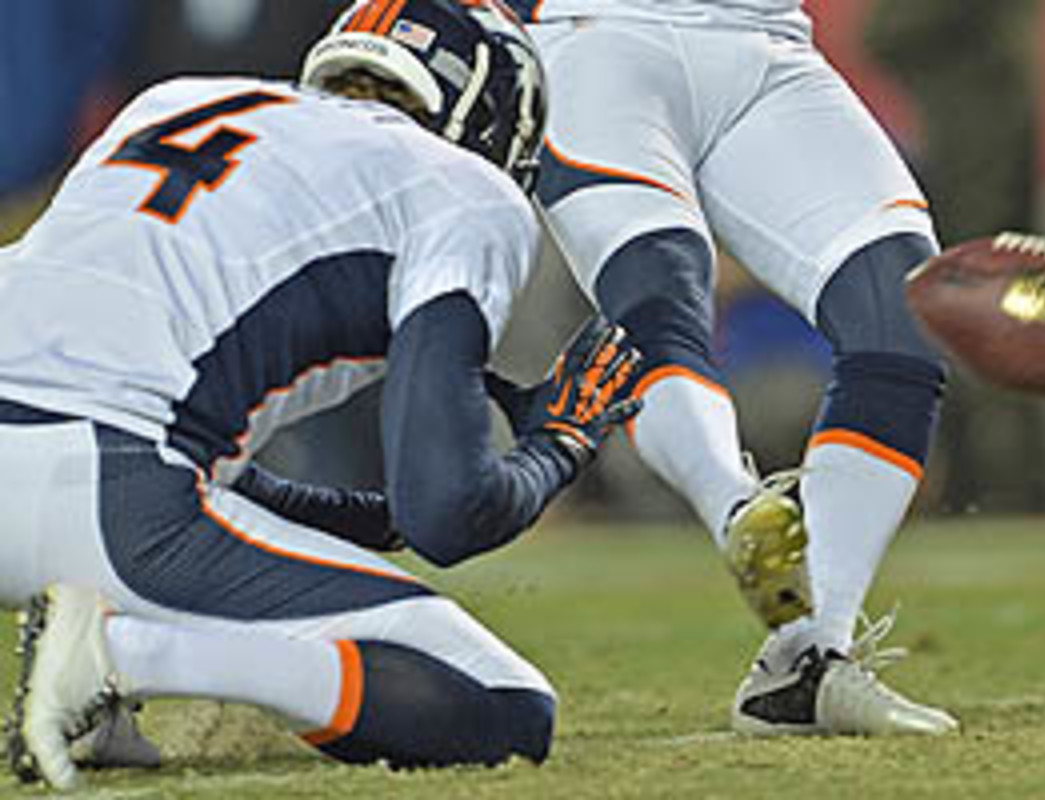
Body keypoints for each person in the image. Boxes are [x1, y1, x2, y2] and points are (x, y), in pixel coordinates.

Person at [0, 0, 641, 790]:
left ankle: (98, 676)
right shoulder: (464, 189)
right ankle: (124, 656)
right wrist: (558, 448)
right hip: (98, 490)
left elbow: (154, 424)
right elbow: (449, 515)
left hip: (70, 461)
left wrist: (371, 517)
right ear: (493, 113)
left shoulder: (171, 101)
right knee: (506, 705)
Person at [509, 0, 959, 734]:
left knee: (901, 317)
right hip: (600, 36)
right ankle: (736, 508)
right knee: (656, 305)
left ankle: (810, 661)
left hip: (769, 44)